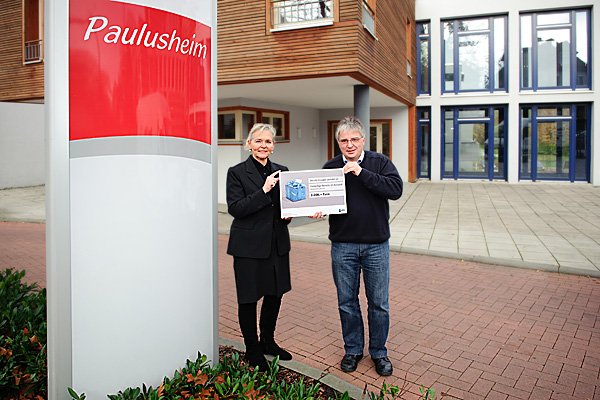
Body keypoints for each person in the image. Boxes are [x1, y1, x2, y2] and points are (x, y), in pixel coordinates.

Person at [312, 116, 403, 376]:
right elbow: (321, 198)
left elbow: (395, 190)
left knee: (378, 303)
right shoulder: (330, 167)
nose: (349, 145)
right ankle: (352, 350)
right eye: (344, 140)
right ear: (338, 142)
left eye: (354, 139)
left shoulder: (379, 162)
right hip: (343, 245)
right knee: (347, 302)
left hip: (376, 245)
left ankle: (379, 353)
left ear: (363, 140)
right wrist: (315, 210)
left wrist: (360, 172)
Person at [226, 123, 293, 371]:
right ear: (249, 144)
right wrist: (264, 190)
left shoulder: (282, 171)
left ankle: (267, 341)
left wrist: (292, 214)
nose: (263, 145)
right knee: (249, 298)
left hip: (276, 244)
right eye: (258, 141)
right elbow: (236, 208)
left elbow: (287, 205)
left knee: (275, 294)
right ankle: (252, 350)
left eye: (268, 142)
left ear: (273, 146)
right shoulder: (237, 172)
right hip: (248, 247)